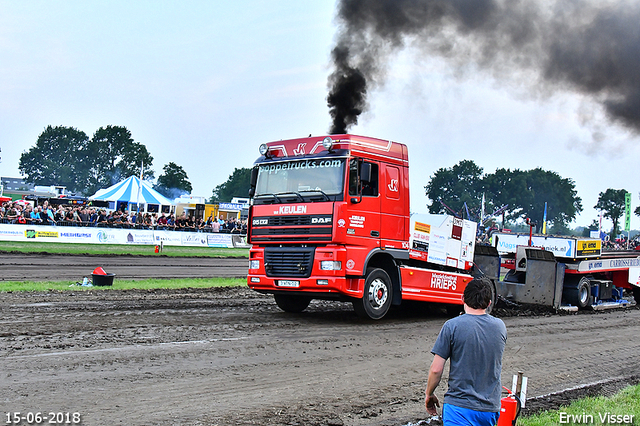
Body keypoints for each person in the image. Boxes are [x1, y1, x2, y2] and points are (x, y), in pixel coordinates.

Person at [425, 278, 506, 426]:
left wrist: (429, 394)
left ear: (462, 298)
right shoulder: (500, 327)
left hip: (459, 408)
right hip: (489, 409)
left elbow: (436, 370)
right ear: (489, 303)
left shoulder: (452, 326)